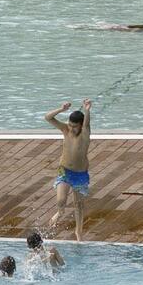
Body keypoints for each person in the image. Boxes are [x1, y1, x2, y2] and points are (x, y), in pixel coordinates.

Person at [44, 99, 93, 238]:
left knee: (78, 205)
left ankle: (78, 232)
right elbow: (48, 118)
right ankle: (60, 212)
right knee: (61, 200)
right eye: (70, 125)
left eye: (74, 126)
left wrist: (87, 110)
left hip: (80, 174)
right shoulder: (65, 129)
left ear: (81, 125)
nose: (71, 128)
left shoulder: (84, 133)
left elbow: (87, 123)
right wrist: (61, 109)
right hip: (64, 171)